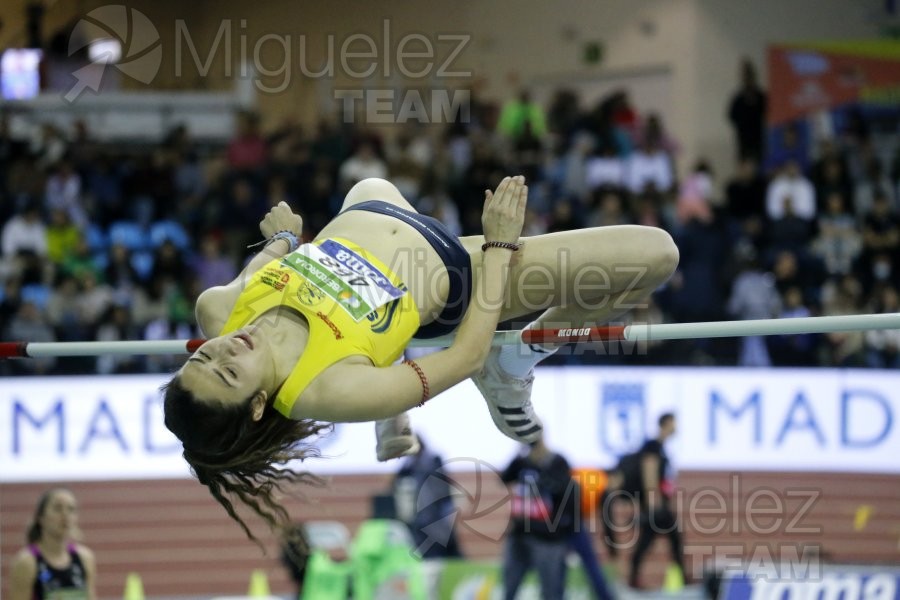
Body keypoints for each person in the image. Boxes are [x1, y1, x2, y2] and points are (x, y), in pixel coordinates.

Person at [162, 176, 679, 543]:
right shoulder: (323, 389)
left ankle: (393, 408)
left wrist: (279, 238)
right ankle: (518, 359)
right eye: (229, 372)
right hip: (458, 274)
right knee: (654, 255)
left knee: (369, 184)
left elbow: (262, 266)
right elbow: (466, 354)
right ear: (257, 405)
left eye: (204, 358)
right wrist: (499, 244)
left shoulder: (219, 311)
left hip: (373, 208)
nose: (226, 349)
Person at [500, 432, 576, 600]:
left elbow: (564, 493)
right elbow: (505, 478)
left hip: (547, 536)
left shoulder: (557, 462)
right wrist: (520, 452)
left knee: (551, 591)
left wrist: (541, 464)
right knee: (509, 586)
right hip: (520, 533)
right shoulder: (522, 462)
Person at [7, 488, 97, 600]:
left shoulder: (85, 558)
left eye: (71, 509)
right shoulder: (27, 563)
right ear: (41, 517)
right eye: (57, 508)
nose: (65, 515)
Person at [629, 413, 686, 589]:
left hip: (659, 503)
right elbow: (649, 472)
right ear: (666, 424)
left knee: (651, 541)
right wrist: (654, 502)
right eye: (673, 423)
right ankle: (682, 579)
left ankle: (633, 578)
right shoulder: (653, 446)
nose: (676, 427)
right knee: (671, 539)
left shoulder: (661, 447)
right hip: (656, 505)